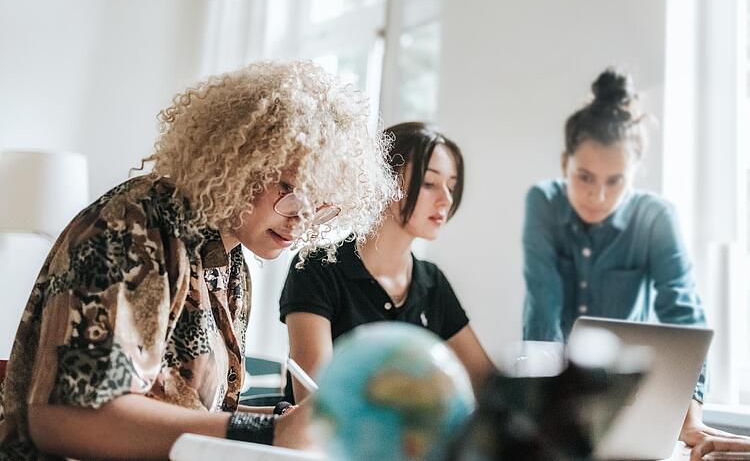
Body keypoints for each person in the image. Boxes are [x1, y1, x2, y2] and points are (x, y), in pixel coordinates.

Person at [0, 60, 399, 460]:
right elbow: (67, 418)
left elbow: (187, 413)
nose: (301, 219)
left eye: (321, 207)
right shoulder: (136, 224)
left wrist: (284, 418)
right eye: (292, 193)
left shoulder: (232, 262)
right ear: (241, 159)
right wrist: (269, 432)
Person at [521, 67, 740, 447]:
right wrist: (546, 406)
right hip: (558, 392)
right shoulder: (543, 203)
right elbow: (543, 305)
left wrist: (690, 418)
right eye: (584, 177)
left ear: (636, 173)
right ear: (564, 165)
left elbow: (684, 315)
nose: (598, 195)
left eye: (614, 181)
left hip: (634, 398)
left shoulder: (655, 217)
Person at [279, 121, 494, 403]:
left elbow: (488, 383)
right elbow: (317, 403)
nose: (446, 200)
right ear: (385, 181)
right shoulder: (316, 267)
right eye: (429, 183)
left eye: (451, 187)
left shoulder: (432, 282)